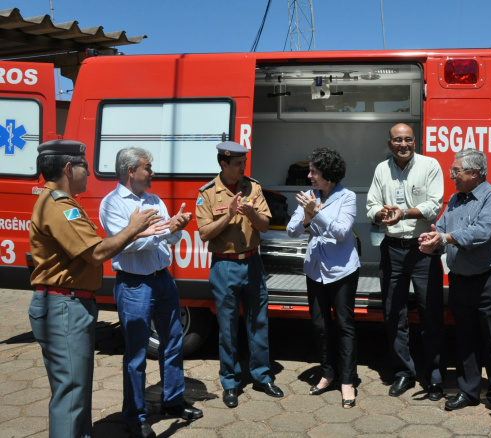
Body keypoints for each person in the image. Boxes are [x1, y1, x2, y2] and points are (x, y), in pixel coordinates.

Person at [28, 140, 163, 438]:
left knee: (76, 391)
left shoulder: (59, 201)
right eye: (84, 167)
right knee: (71, 395)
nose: (89, 173)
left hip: (68, 303)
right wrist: (133, 228)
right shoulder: (59, 205)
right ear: (68, 168)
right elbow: (96, 252)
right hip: (64, 305)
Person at [99, 147, 203, 438]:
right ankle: (134, 415)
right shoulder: (112, 204)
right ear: (131, 171)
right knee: (136, 354)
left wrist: (176, 227)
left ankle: (172, 400)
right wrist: (151, 232)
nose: (152, 173)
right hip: (134, 284)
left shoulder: (154, 200)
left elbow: (167, 237)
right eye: (148, 167)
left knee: (172, 343)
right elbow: (124, 244)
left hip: (162, 279)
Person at [419, 149, 491, 419]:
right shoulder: (455, 199)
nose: (452, 176)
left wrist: (444, 238)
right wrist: (431, 238)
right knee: (466, 339)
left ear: (475, 173)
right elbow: (442, 227)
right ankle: (468, 392)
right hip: (461, 279)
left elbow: (482, 232)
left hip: (490, 278)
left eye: (456, 171)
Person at [195, 140, 283, 408]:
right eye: (237, 164)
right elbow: (204, 233)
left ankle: (262, 376)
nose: (242, 168)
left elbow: (266, 225)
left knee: (259, 322)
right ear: (223, 164)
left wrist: (252, 213)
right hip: (224, 266)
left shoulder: (252, 187)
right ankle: (230, 382)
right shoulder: (208, 193)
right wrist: (230, 215)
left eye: (243, 163)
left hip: (253, 263)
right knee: (228, 328)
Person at [366, 123, 445, 400]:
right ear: (390, 144)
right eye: (397, 140)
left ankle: (434, 377)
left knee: (430, 313)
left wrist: (404, 213)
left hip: (423, 248)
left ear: (415, 141)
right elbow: (371, 204)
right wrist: (381, 214)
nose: (403, 144)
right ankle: (404, 373)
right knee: (393, 314)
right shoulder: (381, 169)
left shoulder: (430, 165)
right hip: (392, 250)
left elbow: (435, 204)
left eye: (408, 139)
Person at [286, 148, 361, 408]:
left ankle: (348, 381)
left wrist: (317, 213)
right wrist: (306, 216)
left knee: (343, 324)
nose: (309, 176)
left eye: (314, 172)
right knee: (320, 325)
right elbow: (292, 231)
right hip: (315, 270)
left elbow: (341, 232)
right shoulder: (309, 196)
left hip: (342, 271)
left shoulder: (347, 196)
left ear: (328, 175)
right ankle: (328, 373)